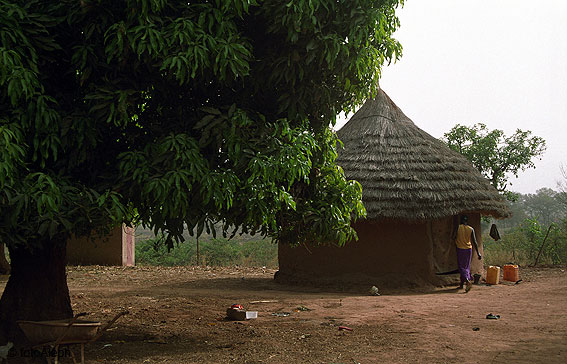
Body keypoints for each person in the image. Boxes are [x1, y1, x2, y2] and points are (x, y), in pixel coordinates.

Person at [452, 215, 482, 292]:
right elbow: (475, 241)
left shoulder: (458, 228)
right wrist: (478, 253)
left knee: (461, 267)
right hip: (469, 249)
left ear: (461, 221)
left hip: (460, 249)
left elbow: (453, 236)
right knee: (466, 266)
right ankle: (461, 285)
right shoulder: (471, 229)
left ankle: (467, 280)